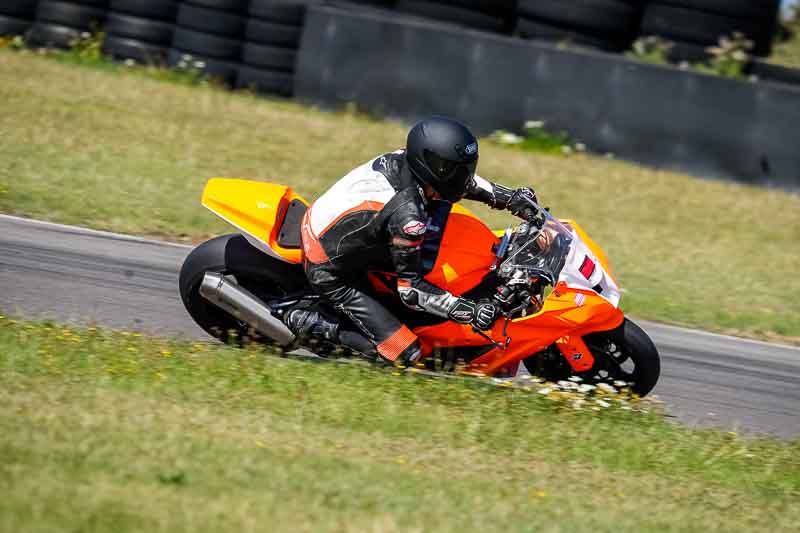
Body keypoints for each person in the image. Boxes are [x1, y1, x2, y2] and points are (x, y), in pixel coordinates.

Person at [286, 116, 537, 365]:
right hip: (329, 268)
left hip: (345, 229)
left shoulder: (409, 162)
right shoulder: (407, 217)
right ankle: (305, 320)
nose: (465, 176)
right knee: (406, 353)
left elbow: (462, 183)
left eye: (466, 168)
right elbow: (411, 290)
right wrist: (470, 311)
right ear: (431, 165)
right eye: (455, 170)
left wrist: (510, 197)